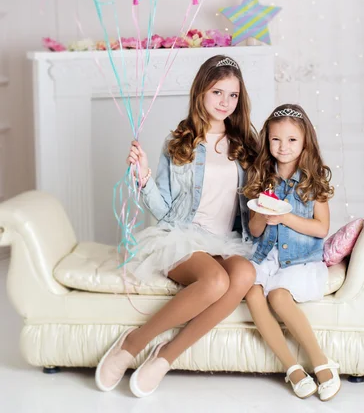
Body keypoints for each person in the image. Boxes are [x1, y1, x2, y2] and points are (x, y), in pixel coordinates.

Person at [95, 54, 258, 397]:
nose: (225, 102)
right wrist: (144, 177)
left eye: (232, 95)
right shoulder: (180, 143)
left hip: (227, 241)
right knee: (215, 281)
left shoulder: (246, 148)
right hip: (181, 238)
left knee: (243, 274)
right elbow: (165, 213)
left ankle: (166, 356)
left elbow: (255, 205)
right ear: (200, 92)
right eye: (217, 92)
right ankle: (132, 344)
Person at [244, 104, 341, 401]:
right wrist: (263, 211)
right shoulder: (261, 176)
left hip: (299, 260)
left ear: (304, 143)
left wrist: (285, 217)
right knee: (252, 291)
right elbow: (255, 231)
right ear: (267, 141)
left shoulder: (313, 181)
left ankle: (322, 362)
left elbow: (321, 228)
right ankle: (293, 369)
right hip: (266, 256)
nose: (283, 147)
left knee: (278, 295)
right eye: (275, 139)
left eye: (291, 140)